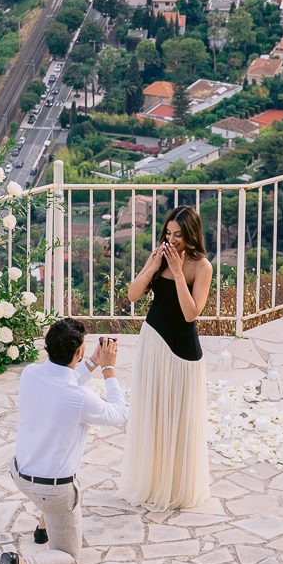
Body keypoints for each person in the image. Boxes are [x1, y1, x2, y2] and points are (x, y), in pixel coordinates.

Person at [0, 316, 126, 564]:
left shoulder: (30, 374)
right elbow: (118, 414)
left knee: (50, 487)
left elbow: (62, 382)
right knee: (70, 555)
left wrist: (90, 362)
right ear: (76, 352)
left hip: (20, 474)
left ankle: (43, 524)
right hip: (54, 491)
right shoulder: (80, 398)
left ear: (48, 347)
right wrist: (109, 369)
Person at [120, 204, 212, 511]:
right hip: (153, 343)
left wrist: (176, 272)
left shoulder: (202, 267)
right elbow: (132, 295)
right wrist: (151, 267)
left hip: (183, 352)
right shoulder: (159, 256)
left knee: (180, 419)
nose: (172, 240)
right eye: (168, 233)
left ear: (191, 236)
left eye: (178, 236)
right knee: (153, 415)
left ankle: (176, 487)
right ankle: (151, 482)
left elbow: (190, 313)